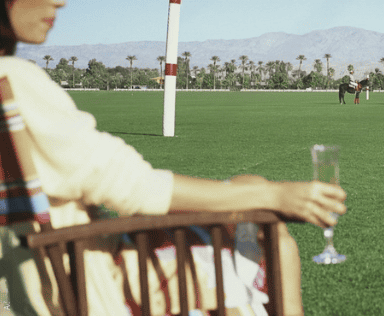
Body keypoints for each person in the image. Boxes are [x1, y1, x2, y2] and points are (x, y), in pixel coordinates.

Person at [0, 1, 346, 316]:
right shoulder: (13, 77)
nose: (61, 1)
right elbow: (133, 187)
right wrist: (273, 196)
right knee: (269, 230)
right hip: (93, 283)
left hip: (49, 269)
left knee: (249, 184)